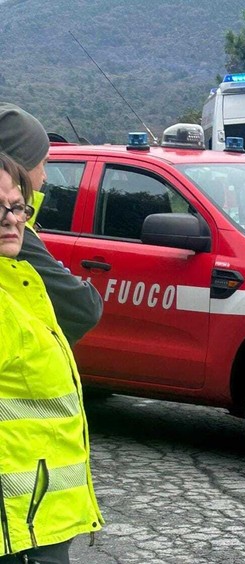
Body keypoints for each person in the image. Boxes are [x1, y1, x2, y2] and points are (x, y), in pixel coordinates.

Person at [0, 153, 103, 564]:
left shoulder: (23, 284)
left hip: (39, 522)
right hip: (15, 531)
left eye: (16, 205)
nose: (10, 219)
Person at [0, 103, 102, 345]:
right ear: (20, 166)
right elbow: (84, 307)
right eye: (43, 163)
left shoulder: (24, 223)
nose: (45, 176)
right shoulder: (12, 234)